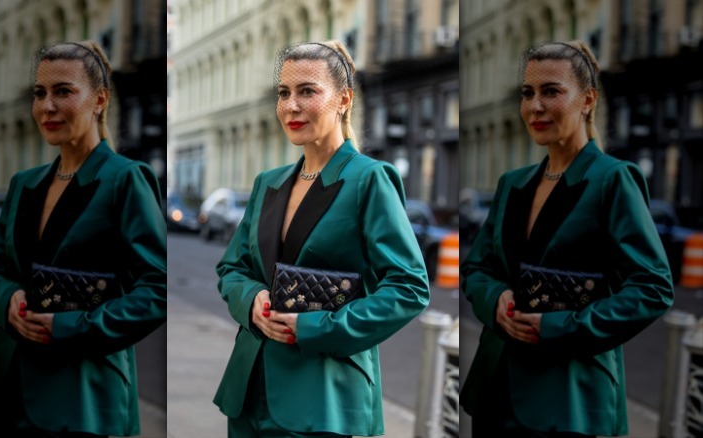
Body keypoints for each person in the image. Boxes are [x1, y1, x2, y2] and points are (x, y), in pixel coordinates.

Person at [213, 40, 430, 437]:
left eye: (307, 91)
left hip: (324, 398)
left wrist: (315, 327)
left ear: (343, 99)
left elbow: (408, 288)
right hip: (249, 391)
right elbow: (233, 268)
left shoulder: (369, 180)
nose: (291, 106)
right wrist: (252, 302)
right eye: (284, 93)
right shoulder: (268, 183)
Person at [460, 40, 674, 437]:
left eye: (551, 91)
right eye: (528, 93)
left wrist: (561, 326)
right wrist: (497, 300)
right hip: (497, 390)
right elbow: (477, 268)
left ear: (587, 100)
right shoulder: (512, 184)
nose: (535, 106)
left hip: (571, 398)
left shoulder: (612, 180)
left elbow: (652, 288)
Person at [0, 41, 166, 437]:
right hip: (9, 391)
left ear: (99, 100)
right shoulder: (25, 183)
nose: (47, 107)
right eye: (40, 93)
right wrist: (7, 300)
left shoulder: (125, 179)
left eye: (63, 91)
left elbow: (155, 291)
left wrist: (70, 326)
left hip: (84, 395)